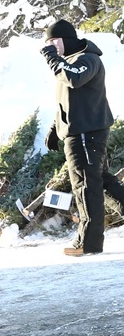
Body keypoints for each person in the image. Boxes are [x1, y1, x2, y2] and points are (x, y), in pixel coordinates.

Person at [40, 18, 124, 256]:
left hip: (87, 132)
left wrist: (53, 59)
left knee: (85, 185)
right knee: (101, 182)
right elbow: (69, 100)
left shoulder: (88, 59)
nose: (51, 46)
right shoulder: (69, 63)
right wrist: (56, 128)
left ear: (66, 39)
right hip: (80, 131)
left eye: (54, 41)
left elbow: (74, 79)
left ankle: (88, 242)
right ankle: (90, 240)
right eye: (48, 42)